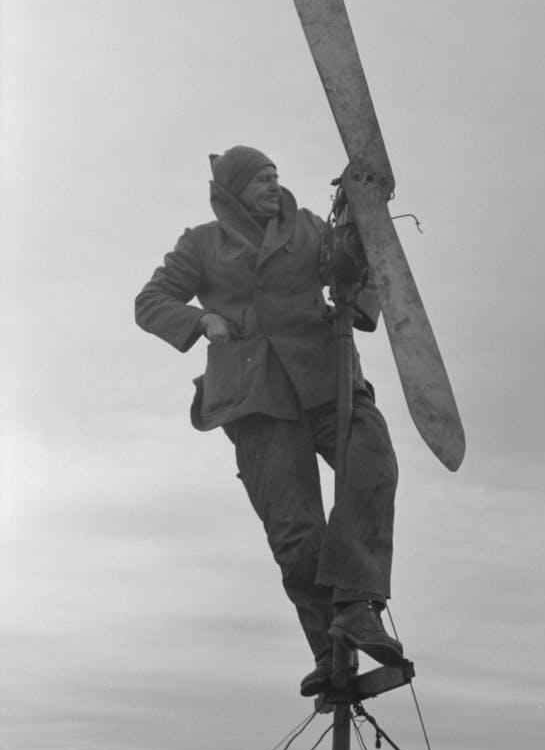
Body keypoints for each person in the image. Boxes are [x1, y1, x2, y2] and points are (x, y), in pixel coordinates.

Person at [135, 145, 402, 697]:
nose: (272, 184)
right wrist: (202, 319)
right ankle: (330, 651)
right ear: (234, 190)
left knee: (374, 462)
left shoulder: (307, 227)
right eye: (260, 178)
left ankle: (355, 605)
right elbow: (151, 300)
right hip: (254, 393)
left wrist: (359, 229)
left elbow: (360, 260)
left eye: (276, 174)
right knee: (296, 531)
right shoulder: (202, 242)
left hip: (324, 375)